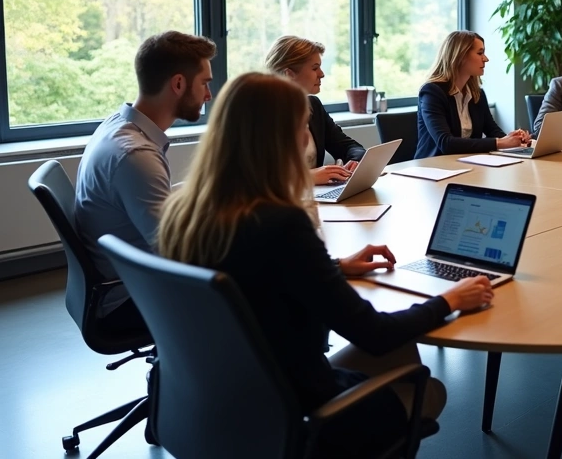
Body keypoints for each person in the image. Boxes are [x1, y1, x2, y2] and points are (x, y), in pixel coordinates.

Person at [158, 72, 494, 458]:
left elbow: (254, 274)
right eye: (302, 127)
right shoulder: (281, 224)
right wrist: (451, 299)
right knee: (428, 388)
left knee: (404, 357)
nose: (307, 138)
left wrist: (333, 266)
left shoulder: (183, 212)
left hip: (218, 399)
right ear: (281, 139)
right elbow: (374, 333)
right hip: (294, 408)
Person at [74, 30, 216, 330]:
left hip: (123, 282)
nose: (208, 94)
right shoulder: (136, 155)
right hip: (132, 300)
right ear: (178, 84)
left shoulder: (120, 125)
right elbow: (175, 252)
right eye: (204, 83)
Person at [415, 30, 529, 158]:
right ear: (460, 56)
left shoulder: (477, 93)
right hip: (432, 169)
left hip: (467, 164)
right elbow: (446, 143)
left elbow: (492, 130)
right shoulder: (432, 92)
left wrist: (514, 139)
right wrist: (500, 142)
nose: (486, 59)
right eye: (480, 53)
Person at [266, 36, 362, 185]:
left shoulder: (313, 105)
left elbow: (349, 146)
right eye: (315, 68)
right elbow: (257, 177)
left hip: (315, 199)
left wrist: (355, 162)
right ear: (288, 74)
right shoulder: (260, 113)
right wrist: (308, 177)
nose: (321, 74)